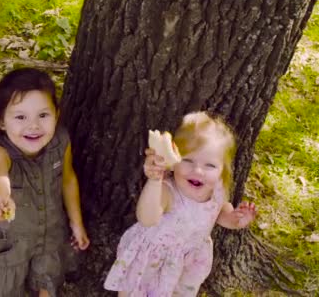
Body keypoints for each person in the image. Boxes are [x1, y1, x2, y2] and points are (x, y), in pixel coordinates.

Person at [103, 112, 257, 296]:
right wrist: (154, 181)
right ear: (174, 161)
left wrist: (236, 220)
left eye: (210, 165)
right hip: (151, 262)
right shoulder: (168, 191)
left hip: (187, 261)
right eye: (188, 160)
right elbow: (147, 218)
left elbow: (219, 213)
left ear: (222, 170)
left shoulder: (217, 189)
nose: (197, 170)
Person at [0, 68, 90, 297]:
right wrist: (0, 195)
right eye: (20, 117)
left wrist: (76, 223)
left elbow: (68, 179)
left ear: (57, 114)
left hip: (50, 233)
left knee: (46, 279)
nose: (34, 126)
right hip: (13, 244)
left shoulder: (61, 141)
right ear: (1, 120)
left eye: (43, 115)